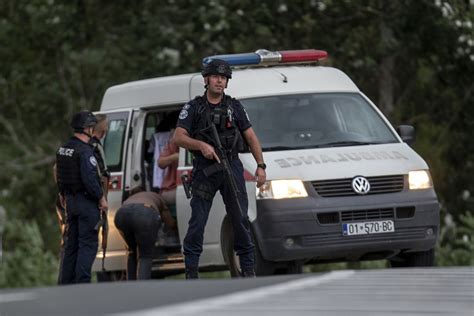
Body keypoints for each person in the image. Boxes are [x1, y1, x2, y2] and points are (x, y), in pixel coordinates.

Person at [173, 59, 267, 279]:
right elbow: (179, 137)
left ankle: (249, 270)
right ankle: (191, 274)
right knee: (197, 222)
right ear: (206, 79)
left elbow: (251, 137)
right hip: (205, 170)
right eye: (215, 76)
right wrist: (201, 145)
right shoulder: (193, 107)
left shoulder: (234, 107)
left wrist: (261, 166)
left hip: (231, 166)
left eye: (223, 78)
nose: (219, 81)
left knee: (241, 220)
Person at [56, 110, 108, 284]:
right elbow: (90, 179)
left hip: (70, 202)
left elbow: (61, 175)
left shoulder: (63, 149)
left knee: (72, 246)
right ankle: (82, 285)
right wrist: (101, 198)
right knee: (87, 245)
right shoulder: (85, 151)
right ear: (88, 129)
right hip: (87, 204)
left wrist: (62, 194)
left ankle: (67, 284)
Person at [114, 190, 177, 280]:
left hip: (121, 214)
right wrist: (176, 227)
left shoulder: (132, 197)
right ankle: (142, 287)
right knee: (145, 255)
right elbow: (169, 222)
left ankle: (130, 285)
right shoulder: (158, 197)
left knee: (132, 252)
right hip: (145, 215)